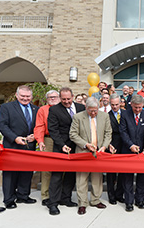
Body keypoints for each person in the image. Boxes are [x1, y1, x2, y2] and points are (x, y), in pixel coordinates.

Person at [0, 85, 39, 209]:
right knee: (10, 173)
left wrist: (35, 136)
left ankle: (23, 195)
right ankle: (9, 199)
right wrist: (15, 138)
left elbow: (39, 126)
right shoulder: (6, 107)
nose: (25, 98)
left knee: (27, 172)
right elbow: (2, 125)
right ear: (17, 95)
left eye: (28, 96)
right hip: (12, 145)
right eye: (22, 96)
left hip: (29, 146)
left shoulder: (36, 109)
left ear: (31, 97)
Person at [46, 87, 86, 215]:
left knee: (71, 175)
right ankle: (53, 203)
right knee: (57, 176)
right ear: (60, 98)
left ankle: (66, 198)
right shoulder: (54, 109)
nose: (66, 101)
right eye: (63, 99)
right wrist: (61, 144)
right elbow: (53, 130)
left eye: (68, 99)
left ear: (73, 96)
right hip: (61, 147)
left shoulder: (81, 108)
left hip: (77, 147)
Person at [70, 97, 112, 215]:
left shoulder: (104, 116)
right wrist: (86, 145)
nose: (93, 113)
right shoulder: (78, 117)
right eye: (91, 111)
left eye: (95, 110)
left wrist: (104, 146)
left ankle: (95, 200)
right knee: (81, 179)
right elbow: (73, 134)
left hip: (98, 153)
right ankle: (82, 203)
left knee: (97, 178)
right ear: (86, 108)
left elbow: (108, 133)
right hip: (83, 153)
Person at [119, 94, 144, 212]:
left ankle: (140, 200)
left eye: (139, 107)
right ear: (131, 105)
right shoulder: (124, 114)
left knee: (142, 177)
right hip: (128, 151)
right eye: (135, 108)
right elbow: (123, 132)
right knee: (127, 177)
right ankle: (129, 202)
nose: (138, 110)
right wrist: (130, 145)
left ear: (143, 105)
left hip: (143, 152)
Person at [33, 90, 60, 205]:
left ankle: (59, 194)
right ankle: (45, 195)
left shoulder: (64, 108)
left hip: (62, 140)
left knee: (60, 168)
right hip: (48, 139)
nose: (52, 99)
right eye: (49, 97)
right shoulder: (43, 110)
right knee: (46, 168)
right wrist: (40, 141)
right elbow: (39, 126)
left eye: (54, 97)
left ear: (59, 97)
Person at [106, 94, 125, 205]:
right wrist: (108, 144)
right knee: (111, 173)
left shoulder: (126, 114)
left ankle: (119, 194)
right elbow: (104, 132)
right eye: (112, 105)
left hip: (124, 146)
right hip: (112, 146)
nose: (114, 107)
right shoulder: (106, 116)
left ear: (120, 103)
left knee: (123, 172)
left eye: (116, 104)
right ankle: (111, 196)